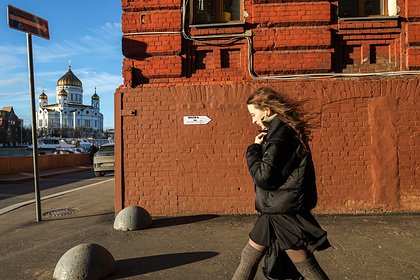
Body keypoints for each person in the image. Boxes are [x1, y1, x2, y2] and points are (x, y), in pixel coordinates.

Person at [232, 87, 330, 280]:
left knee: (305, 264)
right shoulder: (281, 133)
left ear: (267, 111)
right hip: (275, 207)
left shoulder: (280, 137)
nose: (253, 120)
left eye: (254, 114)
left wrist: (252, 150)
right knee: (248, 257)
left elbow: (263, 177)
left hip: (281, 211)